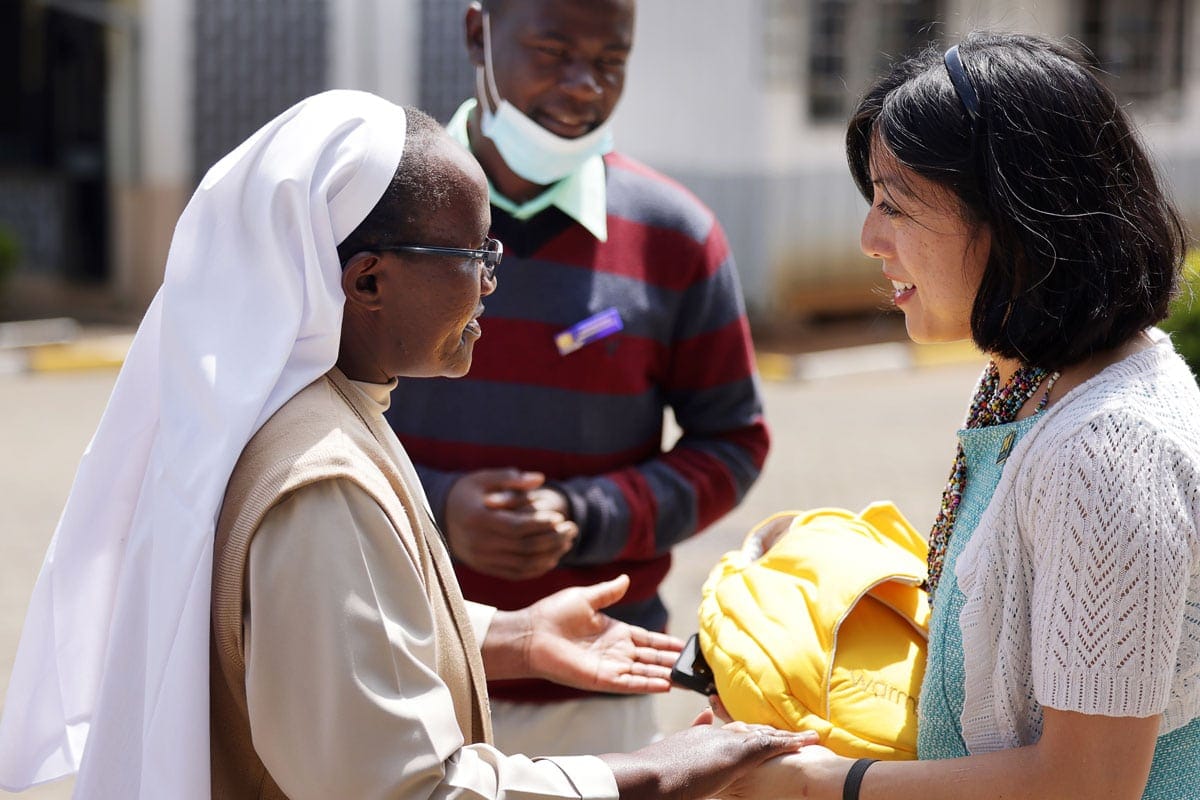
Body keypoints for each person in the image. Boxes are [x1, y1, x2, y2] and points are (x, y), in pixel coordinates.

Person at [0, 91, 816, 798]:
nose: (491, 286)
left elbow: (317, 638)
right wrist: (662, 768)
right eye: (473, 257)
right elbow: (411, 789)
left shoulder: (295, 412)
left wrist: (514, 634)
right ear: (367, 281)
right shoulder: (320, 478)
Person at [730, 31, 1200, 800]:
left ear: (1018, 215)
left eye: (895, 204)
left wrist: (826, 786)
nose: (869, 239)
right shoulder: (1036, 378)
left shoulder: (1109, 450)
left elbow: (1087, 782)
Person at [385, 0, 771, 757]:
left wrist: (585, 513)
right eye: (552, 51)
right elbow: (299, 420)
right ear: (476, 34)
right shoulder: (379, 212)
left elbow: (732, 441)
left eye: (610, 61)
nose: (583, 86)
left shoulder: (676, 235)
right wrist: (436, 511)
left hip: (593, 692)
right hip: (393, 668)